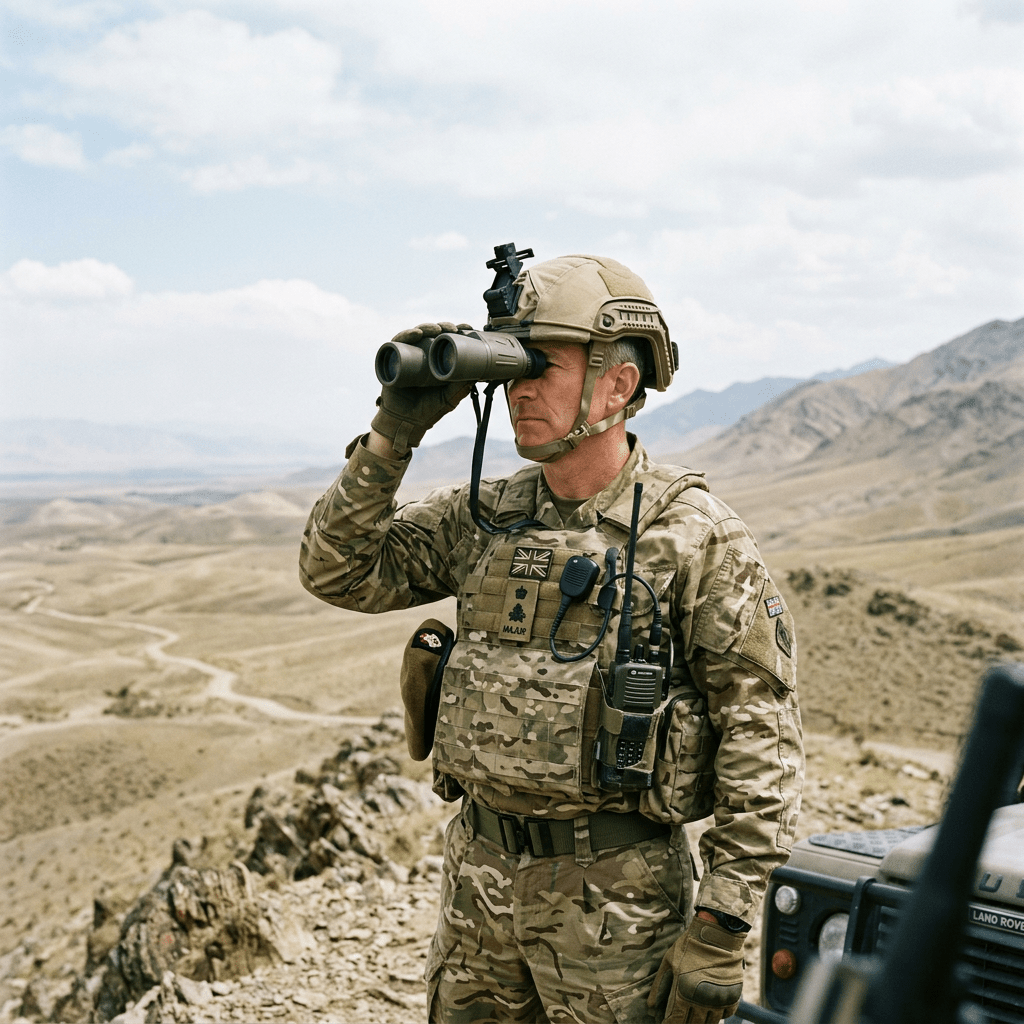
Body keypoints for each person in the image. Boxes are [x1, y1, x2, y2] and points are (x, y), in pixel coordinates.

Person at [299, 254, 804, 1024]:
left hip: (620, 904)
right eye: (510, 370)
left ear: (619, 384)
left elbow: (760, 739)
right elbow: (337, 571)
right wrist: (392, 432)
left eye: (543, 366)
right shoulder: (483, 516)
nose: (519, 391)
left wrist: (723, 924)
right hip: (480, 885)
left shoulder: (695, 536)